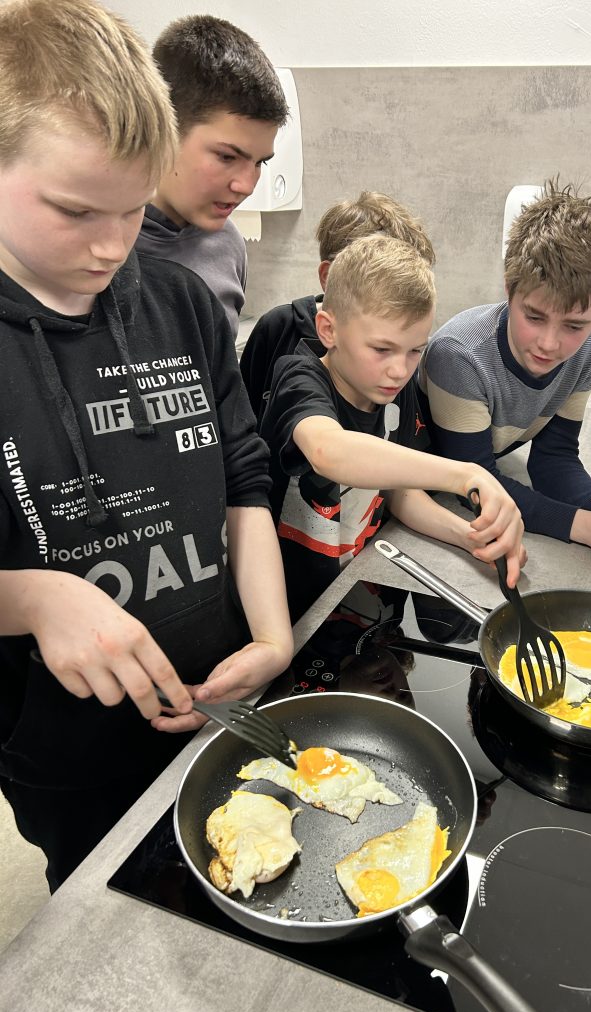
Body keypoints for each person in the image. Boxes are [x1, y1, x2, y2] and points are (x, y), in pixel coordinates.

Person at [0, 0, 293, 891]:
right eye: (76, 210)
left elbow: (242, 475)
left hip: (218, 692)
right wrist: (33, 598)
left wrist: (272, 636)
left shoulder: (180, 301)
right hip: (66, 748)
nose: (110, 246)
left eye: (132, 210)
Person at [259, 233, 525, 622]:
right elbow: (328, 451)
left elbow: (398, 491)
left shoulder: (392, 391)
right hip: (289, 614)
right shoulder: (298, 378)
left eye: (415, 350)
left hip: (358, 605)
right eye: (381, 349)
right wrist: (467, 474)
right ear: (328, 330)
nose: (400, 370)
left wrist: (470, 538)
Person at [419, 180, 591, 565]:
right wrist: (587, 527)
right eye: (534, 317)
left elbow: (553, 458)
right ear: (509, 290)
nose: (549, 344)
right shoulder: (460, 356)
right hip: (422, 496)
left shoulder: (589, 348)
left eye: (574, 325)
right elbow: (472, 484)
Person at [135, 14, 288, 341]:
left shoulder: (228, 243)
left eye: (260, 162)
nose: (246, 186)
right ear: (164, 128)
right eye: (227, 157)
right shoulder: (97, 247)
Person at [240, 190, 436, 423]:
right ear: (328, 274)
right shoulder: (280, 330)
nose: (398, 370)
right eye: (381, 349)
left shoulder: (403, 354)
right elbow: (242, 418)